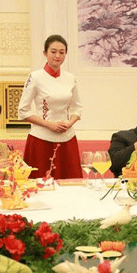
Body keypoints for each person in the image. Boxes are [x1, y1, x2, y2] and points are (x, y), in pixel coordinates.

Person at [18, 34, 83, 179]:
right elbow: (23, 111)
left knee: (70, 186)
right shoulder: (34, 77)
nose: (57, 56)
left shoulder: (70, 78)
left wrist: (69, 123)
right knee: (40, 186)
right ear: (45, 53)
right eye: (53, 52)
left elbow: (77, 108)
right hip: (41, 139)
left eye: (62, 52)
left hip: (67, 139)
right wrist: (49, 125)